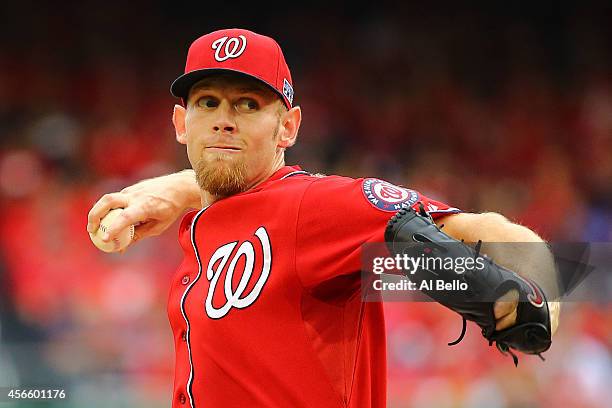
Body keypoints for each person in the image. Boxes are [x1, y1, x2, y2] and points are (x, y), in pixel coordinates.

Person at [87, 28, 560, 407]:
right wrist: (182, 188)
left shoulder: (317, 207)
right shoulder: (202, 226)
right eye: (207, 102)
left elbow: (489, 229)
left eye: (248, 104)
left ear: (288, 126)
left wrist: (548, 303)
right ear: (180, 123)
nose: (223, 119)